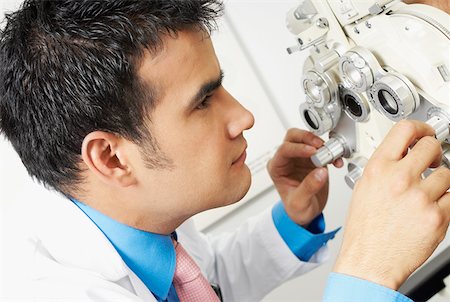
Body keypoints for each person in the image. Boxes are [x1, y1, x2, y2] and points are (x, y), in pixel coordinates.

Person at [0, 1, 448, 302]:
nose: (244, 117)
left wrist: (292, 221)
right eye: (204, 101)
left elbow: (209, 278)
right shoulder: (47, 290)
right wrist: (366, 274)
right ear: (112, 158)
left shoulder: (137, 214)